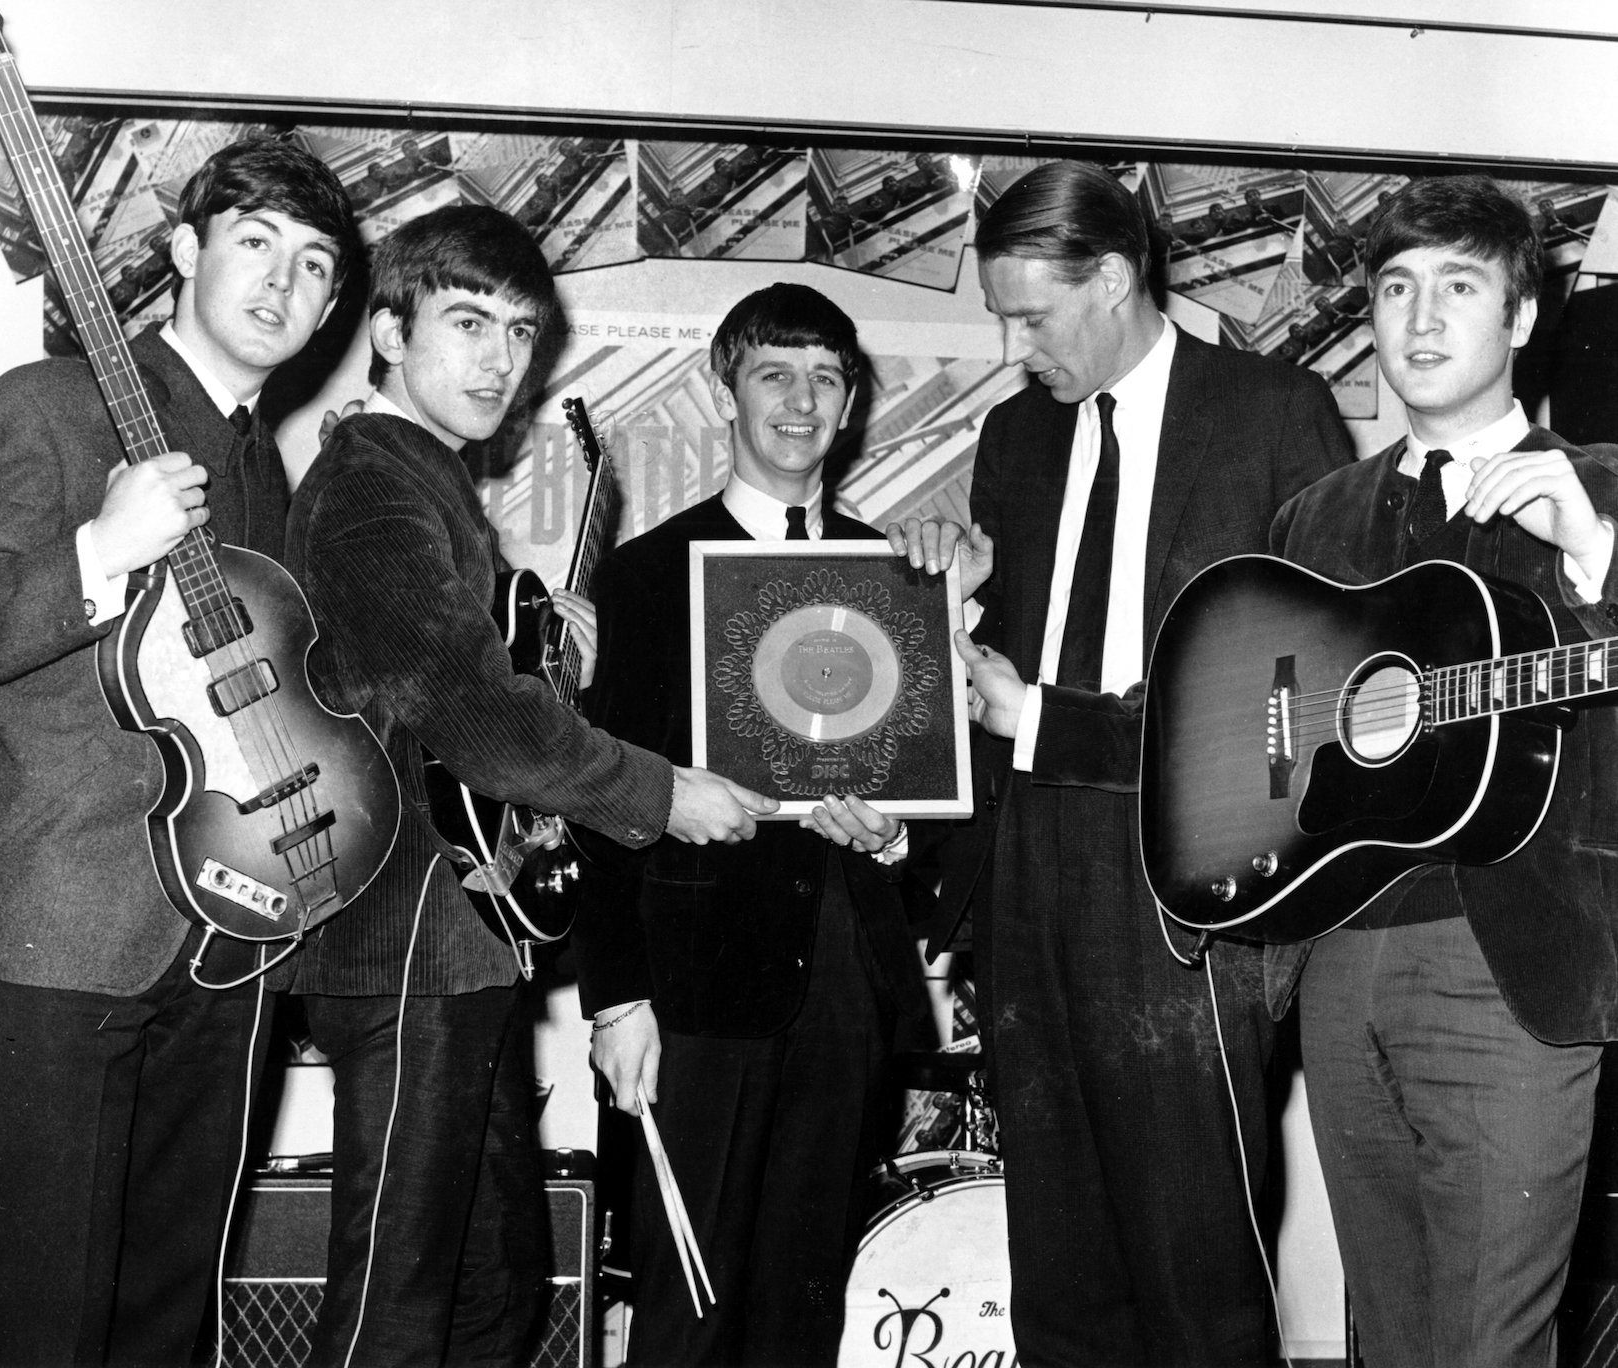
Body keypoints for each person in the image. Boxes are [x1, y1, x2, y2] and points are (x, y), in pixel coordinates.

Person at [281, 202, 773, 1367]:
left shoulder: (428, 482)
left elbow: (455, 681)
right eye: (467, 323)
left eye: (519, 330)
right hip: (401, 943)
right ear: (390, 333)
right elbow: (468, 716)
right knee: (397, 1300)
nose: (500, 360)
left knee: (491, 1275)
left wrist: (545, 638)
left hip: (455, 943)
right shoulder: (372, 488)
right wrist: (662, 793)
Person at [0, 136, 360, 1366]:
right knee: (44, 1329)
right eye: (255, 242)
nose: (282, 283)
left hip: (228, 940)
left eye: (315, 266)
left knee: (170, 1319)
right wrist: (99, 552)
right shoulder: (48, 408)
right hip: (68, 939)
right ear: (182, 252)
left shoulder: (267, 464)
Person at [890, 160, 1353, 1365]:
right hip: (1025, 869)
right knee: (1059, 1258)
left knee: (1194, 1268)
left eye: (1032, 317)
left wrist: (1041, 717)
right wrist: (950, 605)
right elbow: (998, 666)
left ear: (1114, 275)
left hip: (1179, 873)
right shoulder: (1015, 436)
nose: (1014, 347)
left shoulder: (1269, 411)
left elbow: (1290, 693)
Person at [1266, 174, 1618, 1368]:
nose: (1418, 320)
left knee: (1487, 1347)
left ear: (1521, 320)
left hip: (1511, 967)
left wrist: (1595, 559)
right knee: (1395, 1339)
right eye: (1395, 287)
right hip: (1338, 958)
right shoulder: (1313, 519)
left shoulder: (1604, 491)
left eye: (1459, 287)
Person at [572, 282, 934, 1367]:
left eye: (827, 377)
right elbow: (599, 809)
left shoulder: (897, 579)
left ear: (853, 400)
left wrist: (898, 838)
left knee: (800, 1306)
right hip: (690, 990)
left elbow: (935, 798)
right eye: (774, 374)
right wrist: (615, 999)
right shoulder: (642, 578)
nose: (801, 401)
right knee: (687, 1313)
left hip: (842, 987)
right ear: (720, 391)